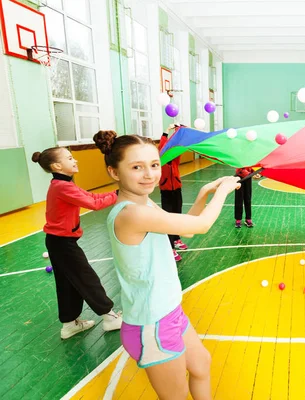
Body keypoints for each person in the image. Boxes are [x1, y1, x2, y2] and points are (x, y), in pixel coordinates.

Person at [93, 130, 240, 399]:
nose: (149, 174)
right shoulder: (131, 214)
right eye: (136, 167)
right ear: (114, 172)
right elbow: (203, 225)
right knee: (176, 396)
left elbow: (187, 231)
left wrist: (206, 193)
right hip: (152, 324)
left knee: (201, 365)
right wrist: (225, 191)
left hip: (169, 313)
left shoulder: (145, 204)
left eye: (154, 165)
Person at [32, 147, 122, 340]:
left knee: (67, 283)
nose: (75, 161)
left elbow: (91, 197)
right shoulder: (61, 186)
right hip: (62, 244)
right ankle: (109, 316)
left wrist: (116, 192)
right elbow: (95, 204)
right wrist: (119, 194)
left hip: (59, 242)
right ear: (57, 165)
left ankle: (69, 324)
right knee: (86, 278)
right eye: (70, 158)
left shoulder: (64, 183)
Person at [158, 124, 187, 262]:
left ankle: (176, 239)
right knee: (168, 219)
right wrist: (166, 131)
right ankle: (171, 248)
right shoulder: (160, 159)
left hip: (177, 189)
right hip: (166, 191)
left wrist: (179, 131)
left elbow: (180, 144)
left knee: (177, 215)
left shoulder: (175, 159)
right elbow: (162, 146)